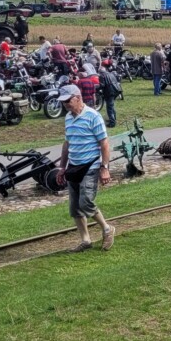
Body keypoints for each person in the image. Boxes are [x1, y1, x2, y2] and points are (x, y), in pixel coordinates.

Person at [56, 83, 114, 251]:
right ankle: (86, 240)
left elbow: (104, 143)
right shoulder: (68, 118)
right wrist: (62, 167)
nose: (65, 104)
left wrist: (104, 168)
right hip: (73, 166)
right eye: (63, 101)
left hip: (90, 166)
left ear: (78, 98)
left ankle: (107, 229)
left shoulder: (93, 116)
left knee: (86, 202)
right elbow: (67, 143)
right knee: (75, 207)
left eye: (68, 100)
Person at [97, 62, 121, 127]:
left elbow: (102, 85)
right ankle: (114, 119)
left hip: (110, 92)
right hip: (116, 90)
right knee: (111, 106)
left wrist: (96, 88)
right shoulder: (111, 74)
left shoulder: (101, 76)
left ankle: (112, 123)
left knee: (109, 107)